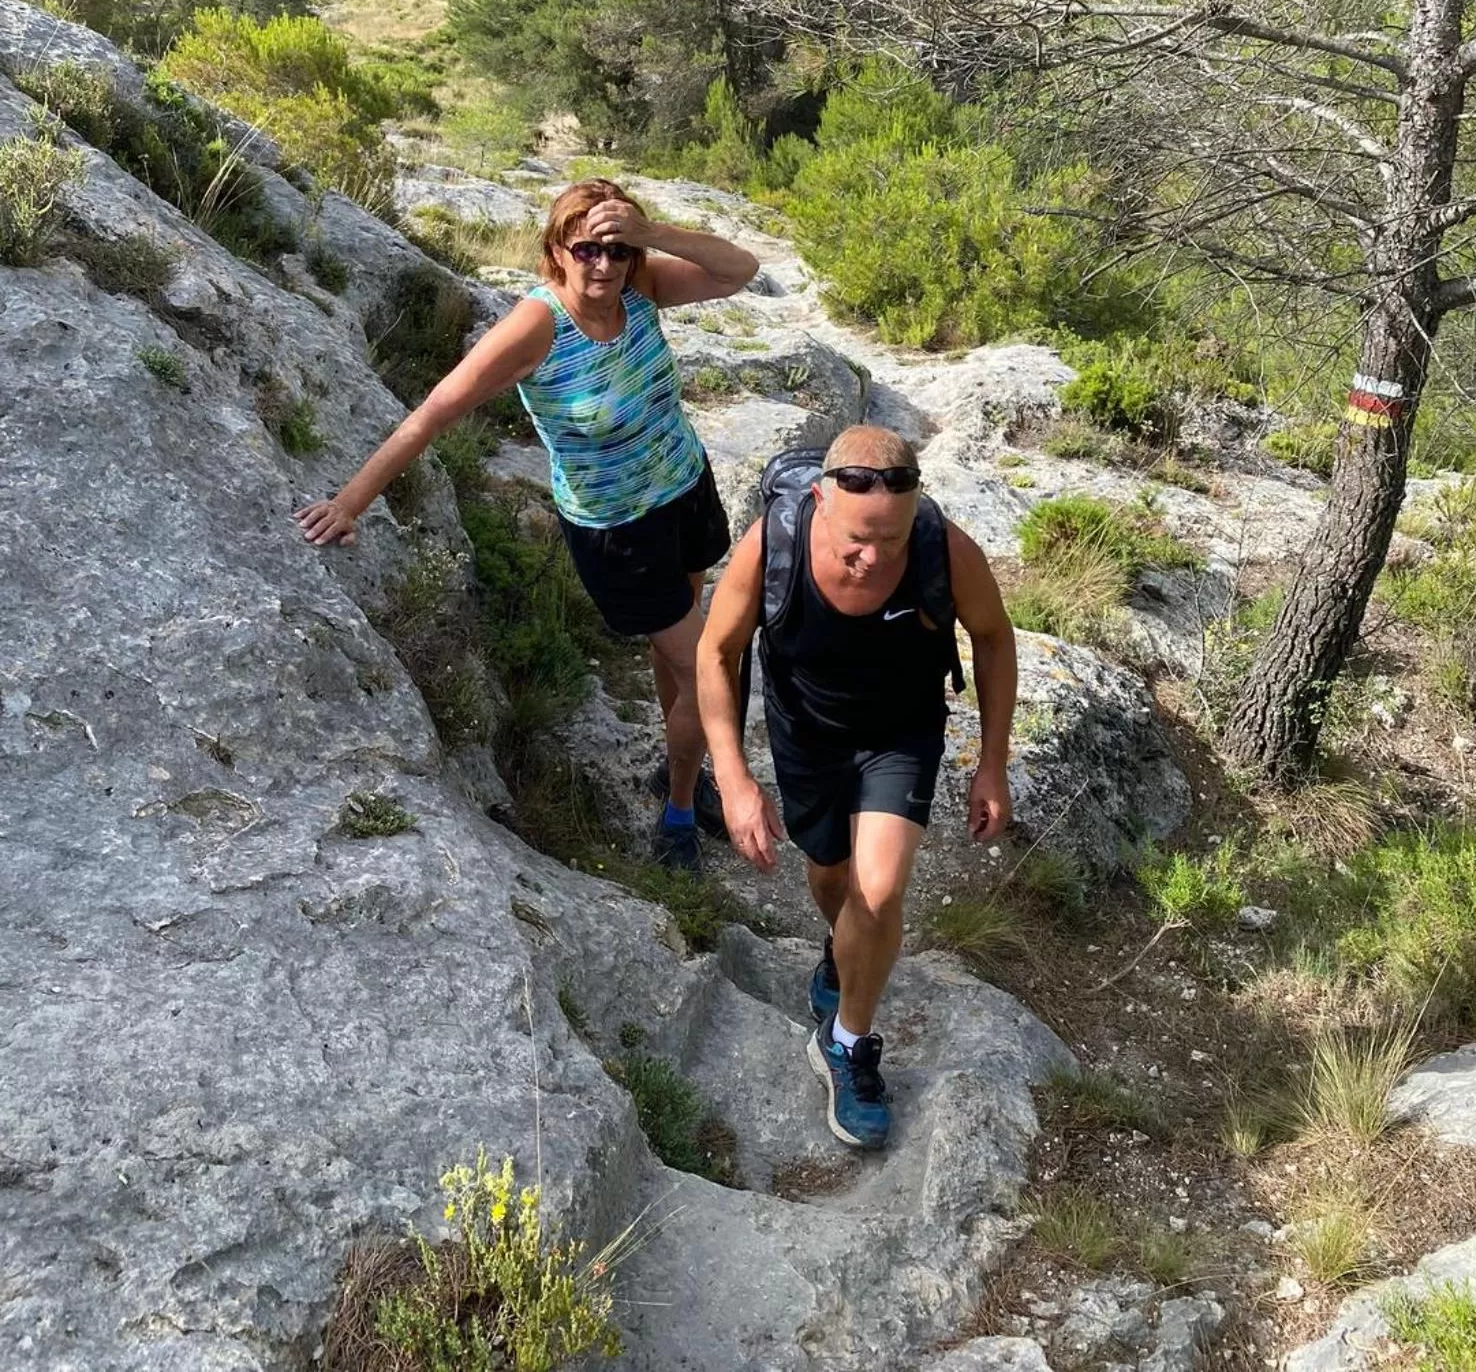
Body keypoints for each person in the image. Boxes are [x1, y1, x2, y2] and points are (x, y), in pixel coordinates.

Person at [296, 178, 759, 872]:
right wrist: (351, 502)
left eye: (617, 251)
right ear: (556, 252)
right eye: (588, 251)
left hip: (683, 489)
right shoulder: (536, 327)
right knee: (708, 668)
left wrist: (650, 235)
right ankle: (683, 809)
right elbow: (433, 413)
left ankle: (678, 767)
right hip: (617, 530)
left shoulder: (644, 285)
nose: (604, 266)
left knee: (682, 651)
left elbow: (740, 271)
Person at [696, 425, 1017, 1150]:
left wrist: (990, 762)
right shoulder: (772, 541)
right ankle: (841, 954)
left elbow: (994, 637)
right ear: (820, 500)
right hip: (806, 732)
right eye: (856, 542)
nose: (873, 559)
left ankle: (845, 1043)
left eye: (892, 542)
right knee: (832, 876)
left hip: (900, 734)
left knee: (878, 891)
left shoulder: (943, 546)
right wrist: (735, 780)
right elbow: (716, 651)